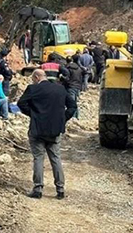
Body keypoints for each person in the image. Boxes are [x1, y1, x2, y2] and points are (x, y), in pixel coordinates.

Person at [17, 69, 77, 200]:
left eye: (33, 79)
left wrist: (33, 115)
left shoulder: (33, 89)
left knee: (38, 158)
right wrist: (63, 118)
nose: (33, 81)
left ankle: (37, 189)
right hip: (55, 130)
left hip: (37, 129)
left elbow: (21, 103)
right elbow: (72, 106)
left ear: (37, 77)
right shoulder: (60, 89)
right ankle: (60, 190)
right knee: (56, 158)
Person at [65, 55, 83, 119]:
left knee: (71, 103)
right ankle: (76, 116)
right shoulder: (78, 68)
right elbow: (81, 78)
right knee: (75, 102)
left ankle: (73, 117)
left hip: (70, 86)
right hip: (77, 86)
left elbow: (67, 78)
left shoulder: (67, 68)